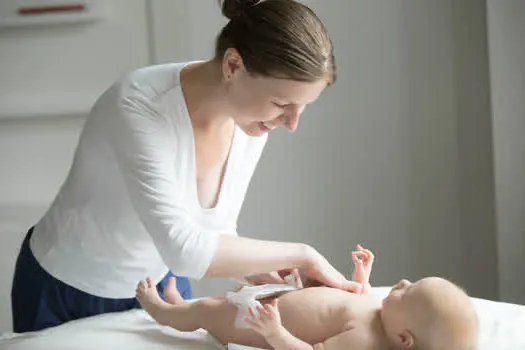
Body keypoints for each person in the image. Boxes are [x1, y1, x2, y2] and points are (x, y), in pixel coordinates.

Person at [10, 0, 363, 333]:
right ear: (233, 66)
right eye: (282, 103)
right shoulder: (138, 105)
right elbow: (185, 250)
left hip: (160, 286)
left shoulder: (251, 122)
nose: (291, 123)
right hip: (67, 291)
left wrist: (264, 274)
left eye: (301, 107)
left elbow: (214, 230)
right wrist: (304, 255)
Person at [136, 245, 480, 350]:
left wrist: (275, 334)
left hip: (259, 322)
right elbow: (357, 296)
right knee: (209, 306)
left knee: (208, 312)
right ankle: (180, 306)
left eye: (408, 292)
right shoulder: (384, 315)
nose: (403, 281)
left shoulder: (365, 340)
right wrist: (362, 276)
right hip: (280, 295)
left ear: (404, 339)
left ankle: (163, 311)